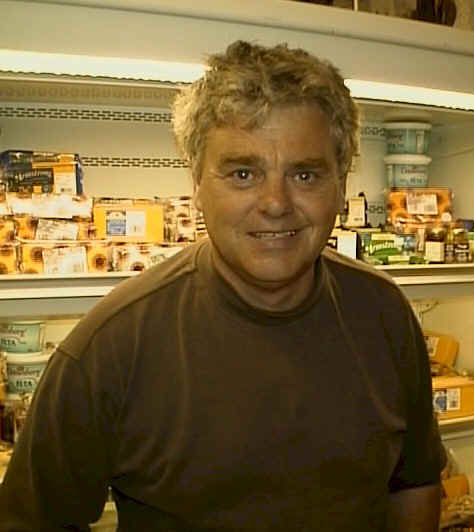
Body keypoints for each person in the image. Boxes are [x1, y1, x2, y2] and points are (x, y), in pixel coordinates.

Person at [0, 40, 444, 531]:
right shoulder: (110, 350)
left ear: (340, 184)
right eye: (243, 172)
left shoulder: (385, 315)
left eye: (305, 173)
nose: (276, 203)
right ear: (197, 182)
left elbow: (415, 480)